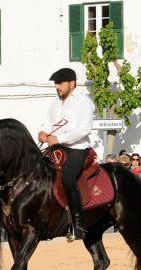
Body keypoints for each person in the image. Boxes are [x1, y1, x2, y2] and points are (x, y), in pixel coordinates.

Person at [37, 67, 94, 241]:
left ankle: (78, 225)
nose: (57, 87)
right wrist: (42, 132)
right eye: (56, 84)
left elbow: (84, 129)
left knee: (68, 177)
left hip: (78, 149)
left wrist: (58, 139)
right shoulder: (55, 102)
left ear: (72, 83)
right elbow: (47, 123)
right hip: (57, 148)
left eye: (60, 83)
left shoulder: (83, 101)